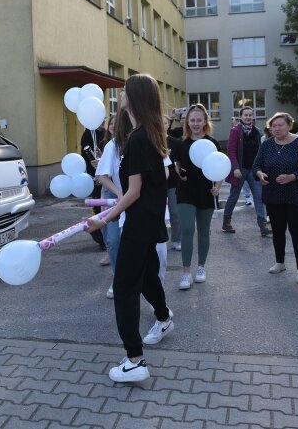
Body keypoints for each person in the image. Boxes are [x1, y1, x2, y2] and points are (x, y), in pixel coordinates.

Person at [85, 74, 173, 383]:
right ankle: (163, 317)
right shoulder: (150, 134)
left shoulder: (138, 139)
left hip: (138, 223)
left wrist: (103, 219)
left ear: (133, 97)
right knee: (147, 276)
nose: (120, 97)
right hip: (148, 221)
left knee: (124, 287)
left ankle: (135, 360)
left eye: (123, 93)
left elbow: (132, 192)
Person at [252, 112, 298, 284]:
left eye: (280, 125)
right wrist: (259, 174)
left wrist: (291, 177)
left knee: (296, 231)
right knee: (277, 230)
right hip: (273, 194)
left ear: (290, 126)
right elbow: (256, 165)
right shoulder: (267, 145)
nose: (276, 129)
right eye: (274, 125)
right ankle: (280, 262)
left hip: (296, 195)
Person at [172, 103, 221, 290]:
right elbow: (177, 164)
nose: (195, 123)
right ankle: (185, 272)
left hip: (206, 192)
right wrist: (179, 173)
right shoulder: (180, 143)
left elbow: (220, 166)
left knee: (203, 231)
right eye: (192, 120)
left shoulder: (213, 142)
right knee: (186, 230)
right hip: (185, 191)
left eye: (199, 120)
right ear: (187, 122)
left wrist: (217, 186)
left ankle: (201, 267)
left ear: (205, 121)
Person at [95, 109, 134, 298]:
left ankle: (141, 283)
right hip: (119, 201)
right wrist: (119, 191)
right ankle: (118, 278)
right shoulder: (112, 145)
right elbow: (101, 175)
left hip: (138, 203)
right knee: (113, 241)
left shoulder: (141, 140)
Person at [222, 106, 271, 236]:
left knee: (259, 197)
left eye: (250, 115)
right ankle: (226, 222)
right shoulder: (235, 131)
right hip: (240, 169)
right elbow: (231, 151)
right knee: (234, 195)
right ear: (241, 116)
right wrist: (235, 168)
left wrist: (260, 168)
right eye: (246, 115)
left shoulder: (257, 132)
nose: (248, 117)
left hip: (254, 169)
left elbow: (261, 152)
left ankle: (263, 226)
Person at [81, 120, 107, 251]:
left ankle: (104, 237)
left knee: (106, 208)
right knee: (98, 207)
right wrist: (95, 174)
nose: (104, 121)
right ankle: (100, 238)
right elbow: (88, 158)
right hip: (97, 178)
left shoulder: (105, 135)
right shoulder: (89, 135)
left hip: (107, 178)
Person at [164, 114, 182, 251]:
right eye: (160, 122)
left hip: (172, 183)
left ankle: (177, 239)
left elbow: (180, 162)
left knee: (175, 212)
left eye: (165, 123)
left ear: (169, 124)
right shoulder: (151, 141)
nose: (162, 125)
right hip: (156, 183)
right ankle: (158, 239)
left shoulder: (175, 142)